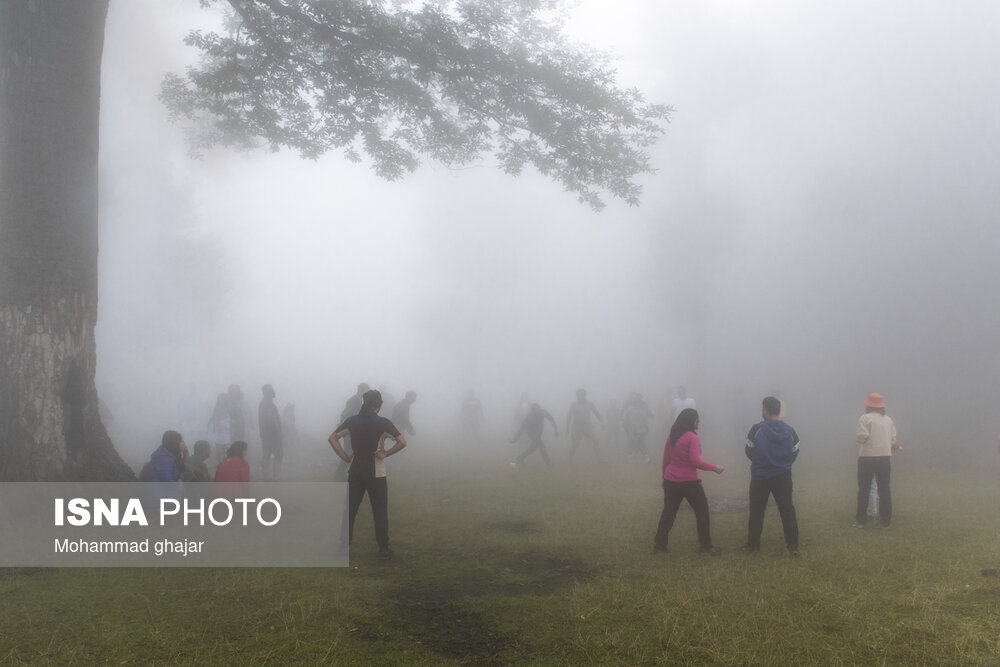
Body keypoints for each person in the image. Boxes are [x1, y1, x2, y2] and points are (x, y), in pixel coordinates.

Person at [328, 390, 407, 559]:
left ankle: (343, 548)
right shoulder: (384, 423)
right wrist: (386, 453)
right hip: (377, 473)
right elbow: (402, 442)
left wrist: (346, 457)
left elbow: (332, 438)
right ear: (377, 406)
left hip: (355, 471)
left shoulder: (352, 421)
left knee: (349, 510)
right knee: (380, 510)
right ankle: (384, 549)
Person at [653, 408, 724, 555]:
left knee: (668, 513)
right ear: (693, 421)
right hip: (689, 483)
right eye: (697, 420)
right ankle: (706, 547)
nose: (698, 423)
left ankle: (659, 546)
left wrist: (663, 478)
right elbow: (695, 461)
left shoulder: (673, 435)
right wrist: (714, 468)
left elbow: (666, 458)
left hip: (671, 480)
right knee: (702, 512)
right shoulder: (692, 437)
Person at [742, 396, 801, 556]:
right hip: (783, 476)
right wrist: (784, 463)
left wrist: (761, 461)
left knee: (757, 511)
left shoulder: (756, 429)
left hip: (760, 476)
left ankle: (753, 546)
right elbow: (795, 449)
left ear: (765, 410)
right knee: (787, 510)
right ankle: (793, 546)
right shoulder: (790, 430)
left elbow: (749, 450)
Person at [854, 393, 901, 528]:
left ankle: (861, 520)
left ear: (868, 405)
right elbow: (893, 440)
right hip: (885, 458)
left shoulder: (865, 418)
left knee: (864, 489)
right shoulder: (888, 420)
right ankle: (886, 520)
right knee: (884, 489)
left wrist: (861, 439)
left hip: (867, 457)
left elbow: (862, 437)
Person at [510, 403, 558, 468]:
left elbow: (551, 419)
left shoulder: (541, 412)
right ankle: (549, 464)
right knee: (542, 448)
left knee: (533, 448)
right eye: (534, 410)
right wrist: (515, 439)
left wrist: (556, 429)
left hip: (537, 434)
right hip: (533, 434)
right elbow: (522, 428)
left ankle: (520, 458)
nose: (535, 412)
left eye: (536, 409)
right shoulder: (531, 416)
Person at [566, 389, 604, 463]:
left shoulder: (590, 404)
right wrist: (567, 427)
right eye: (579, 395)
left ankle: (599, 460)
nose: (581, 397)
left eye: (582, 395)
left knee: (596, 441)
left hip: (587, 426)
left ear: (585, 395)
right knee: (574, 444)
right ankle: (570, 459)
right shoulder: (573, 405)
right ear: (577, 396)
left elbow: (597, 413)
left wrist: (602, 423)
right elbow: (569, 415)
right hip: (576, 426)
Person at [258, 384, 283, 481]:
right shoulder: (267, 404)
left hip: (267, 435)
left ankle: (268, 477)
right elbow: (272, 421)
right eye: (270, 391)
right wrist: (279, 434)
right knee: (277, 455)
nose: (273, 392)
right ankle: (274, 478)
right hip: (272, 435)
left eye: (272, 390)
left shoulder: (266, 404)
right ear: (266, 393)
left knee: (267, 455)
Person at [622, 392, 654, 463]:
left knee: (640, 442)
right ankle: (639, 454)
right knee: (637, 442)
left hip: (643, 428)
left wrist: (651, 415)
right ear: (634, 400)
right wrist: (624, 424)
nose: (637, 400)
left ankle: (644, 456)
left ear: (641, 399)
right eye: (635, 399)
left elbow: (651, 414)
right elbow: (624, 417)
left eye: (639, 399)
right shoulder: (630, 408)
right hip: (633, 429)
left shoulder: (645, 407)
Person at [207, 392, 231, 464]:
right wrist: (226, 423)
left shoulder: (228, 409)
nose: (222, 401)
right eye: (221, 399)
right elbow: (216, 424)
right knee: (220, 456)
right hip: (220, 438)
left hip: (227, 437)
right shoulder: (217, 410)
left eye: (223, 399)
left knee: (226, 455)